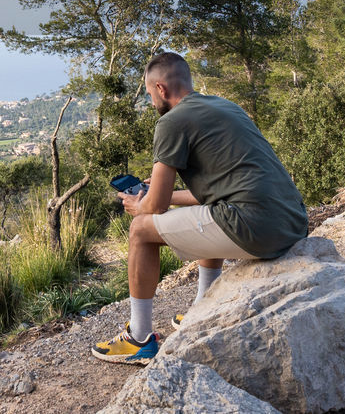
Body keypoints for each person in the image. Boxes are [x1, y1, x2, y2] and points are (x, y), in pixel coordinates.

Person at [91, 51, 308, 365]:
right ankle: (203, 306)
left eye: (151, 94)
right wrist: (153, 194)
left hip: (255, 226)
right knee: (213, 207)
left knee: (140, 230)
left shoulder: (171, 122)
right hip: (292, 221)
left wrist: (140, 205)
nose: (152, 102)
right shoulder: (225, 106)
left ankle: (138, 338)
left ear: (162, 90)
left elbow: (157, 207)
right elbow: (211, 193)